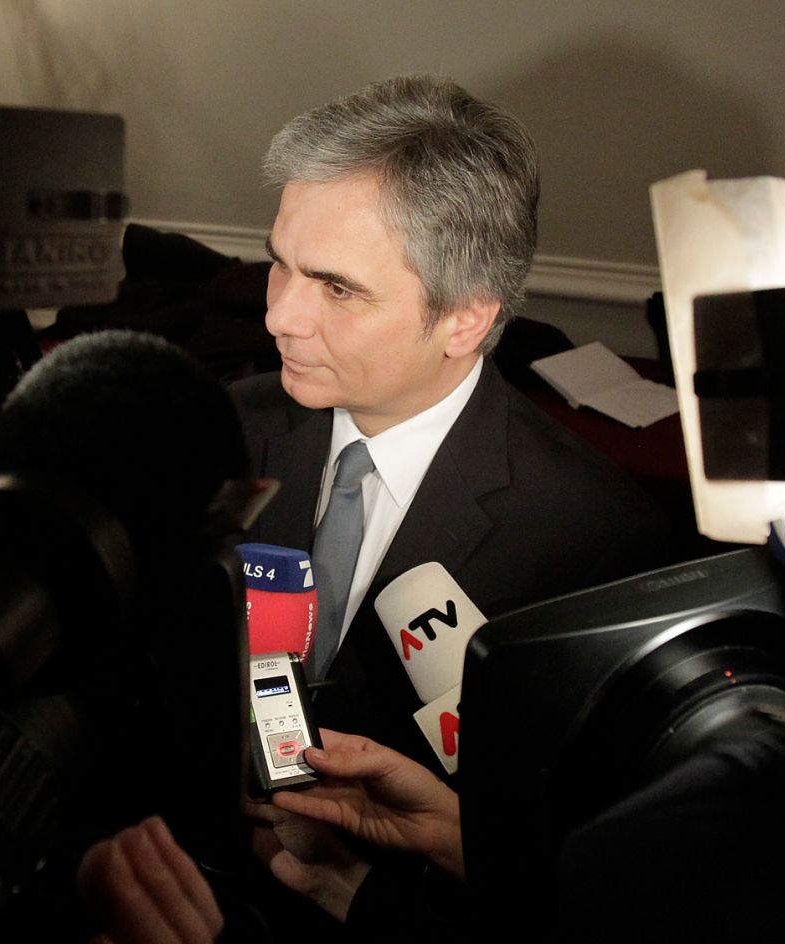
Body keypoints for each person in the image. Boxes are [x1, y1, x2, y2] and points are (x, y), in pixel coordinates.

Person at [230, 75, 670, 774]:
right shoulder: (215, 429)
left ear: (465, 319)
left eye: (337, 288)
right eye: (279, 265)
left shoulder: (594, 542)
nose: (279, 315)